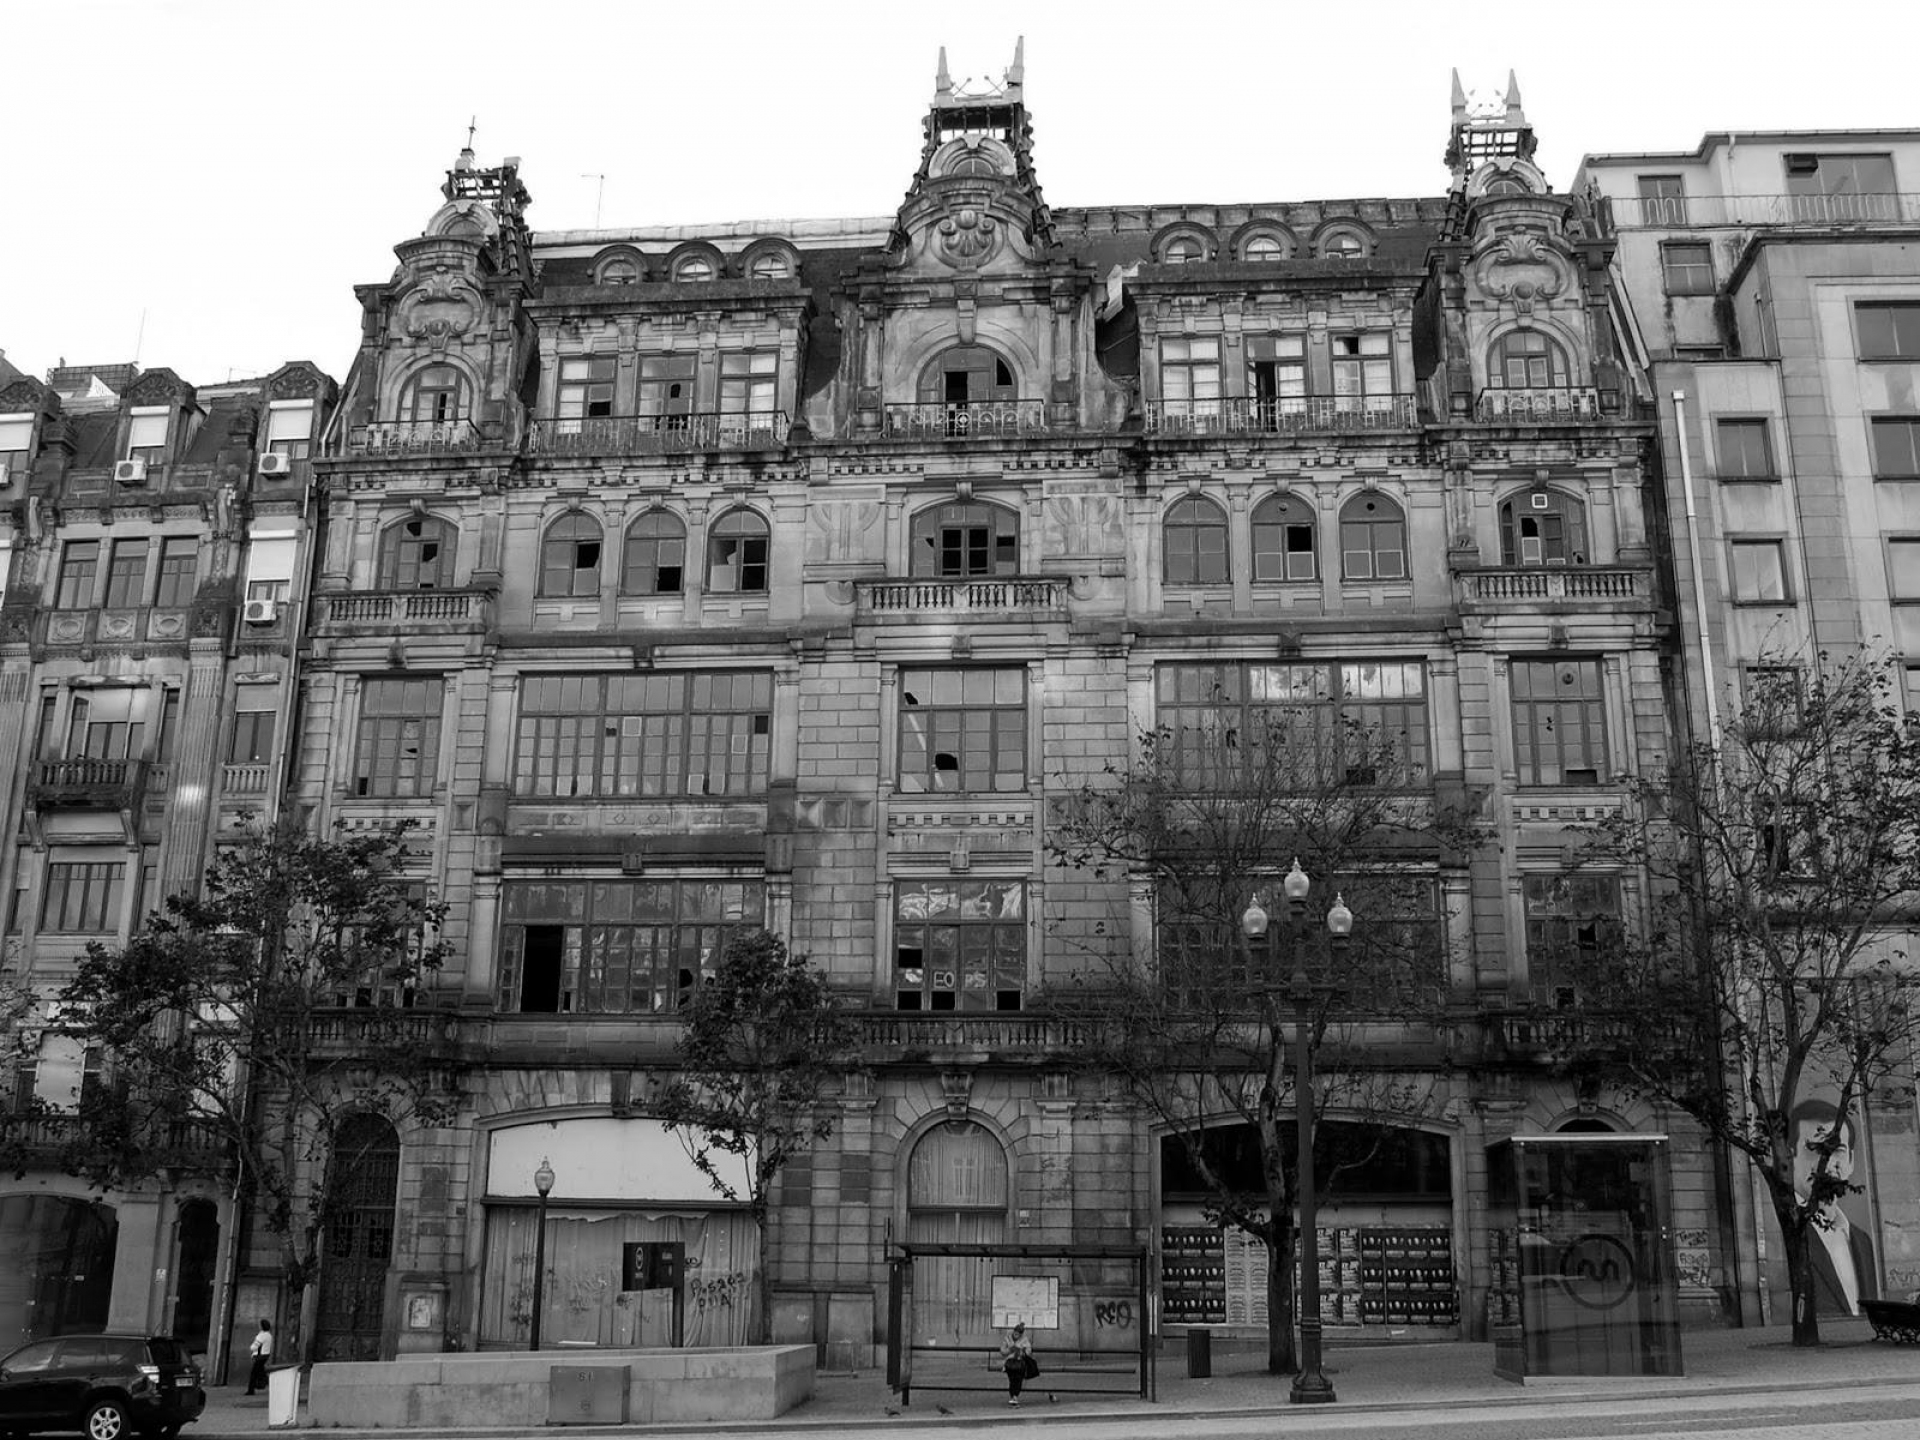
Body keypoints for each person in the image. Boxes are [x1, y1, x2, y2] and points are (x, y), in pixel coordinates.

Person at [1790, 1098, 1876, 1317]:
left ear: (1850, 1161)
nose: (1828, 1163)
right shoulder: (1786, 1234)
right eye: (1815, 1149)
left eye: (1837, 1150)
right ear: (1790, 1156)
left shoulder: (1861, 1239)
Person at [997, 1321, 1034, 1407]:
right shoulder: (1007, 1338)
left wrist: (1021, 1352)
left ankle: (1015, 1396)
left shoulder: (1025, 1340)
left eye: (1019, 1333)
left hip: (1020, 1363)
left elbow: (1028, 1351)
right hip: (1010, 1363)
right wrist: (1010, 1350)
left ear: (1021, 1334)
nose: (1016, 1334)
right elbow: (1002, 1351)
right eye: (1016, 1332)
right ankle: (1013, 1396)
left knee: (1018, 1379)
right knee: (1012, 1380)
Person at [245, 1319, 274, 1396]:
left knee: (254, 1373)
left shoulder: (261, 1336)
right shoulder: (269, 1335)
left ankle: (251, 1390)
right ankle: (264, 1384)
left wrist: (251, 1348)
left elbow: (254, 1346)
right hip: (265, 1355)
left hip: (259, 1356)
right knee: (261, 1372)